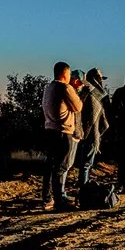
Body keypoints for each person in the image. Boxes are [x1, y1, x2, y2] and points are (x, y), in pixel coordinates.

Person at [39, 62, 82, 209]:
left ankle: (47, 197)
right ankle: (60, 200)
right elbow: (78, 106)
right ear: (65, 74)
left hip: (49, 129)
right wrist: (76, 91)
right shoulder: (65, 88)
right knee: (61, 166)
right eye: (69, 74)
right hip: (63, 131)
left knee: (50, 165)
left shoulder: (48, 88)